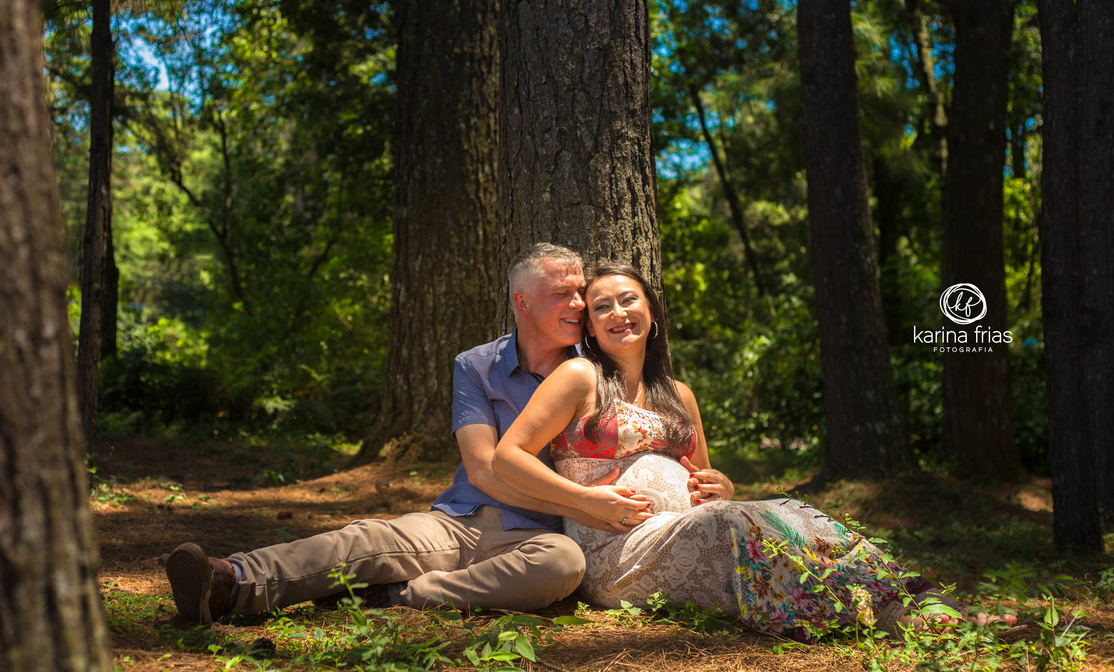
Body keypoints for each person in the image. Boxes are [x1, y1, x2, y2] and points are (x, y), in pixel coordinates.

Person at [494, 262, 1024, 641]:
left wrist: (721, 485)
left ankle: (915, 598)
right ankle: (886, 615)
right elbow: (507, 456)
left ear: (652, 311)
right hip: (615, 548)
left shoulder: (679, 396)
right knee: (732, 525)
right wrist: (585, 502)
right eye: (602, 307)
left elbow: (706, 481)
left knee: (795, 511)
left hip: (694, 531)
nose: (617, 313)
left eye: (629, 299)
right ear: (589, 326)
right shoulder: (579, 375)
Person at [165, 243, 655, 623]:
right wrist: (581, 501)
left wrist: (705, 479)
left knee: (562, 566)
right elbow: (484, 468)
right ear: (522, 302)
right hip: (466, 517)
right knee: (367, 540)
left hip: (545, 536)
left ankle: (399, 595)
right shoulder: (477, 366)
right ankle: (230, 580)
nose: (578, 305)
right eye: (562, 295)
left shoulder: (596, 372)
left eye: (579, 293)